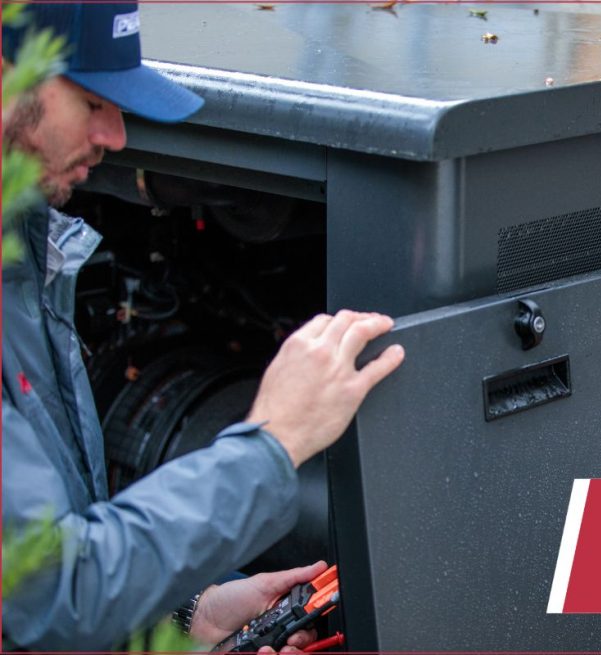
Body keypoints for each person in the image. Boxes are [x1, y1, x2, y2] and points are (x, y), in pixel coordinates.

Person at [1, 3, 405, 650]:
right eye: (92, 99)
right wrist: (272, 441)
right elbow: (50, 595)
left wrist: (190, 612)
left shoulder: (23, 246)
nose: (117, 135)